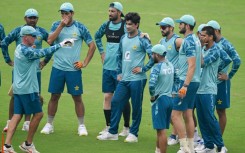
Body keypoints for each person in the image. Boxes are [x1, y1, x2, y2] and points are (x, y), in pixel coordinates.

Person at [3, 25, 73, 153]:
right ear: (25, 37)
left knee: (17, 115)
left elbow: (32, 55)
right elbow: (43, 52)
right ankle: (28, 144)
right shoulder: (27, 52)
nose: (36, 38)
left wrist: (32, 48)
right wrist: (61, 44)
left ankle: (7, 146)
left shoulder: (20, 48)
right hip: (28, 89)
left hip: (18, 88)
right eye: (33, 36)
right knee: (39, 114)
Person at [40, 2, 96, 136]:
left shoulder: (80, 27)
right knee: (54, 96)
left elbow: (92, 45)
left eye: (67, 13)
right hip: (58, 68)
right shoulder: (56, 25)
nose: (64, 16)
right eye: (62, 13)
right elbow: (49, 41)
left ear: (72, 14)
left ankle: (81, 125)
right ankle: (49, 124)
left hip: (73, 70)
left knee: (77, 97)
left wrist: (84, 63)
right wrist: (61, 25)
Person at [97, 12, 154, 142]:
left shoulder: (142, 39)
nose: (127, 26)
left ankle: (133, 134)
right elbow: (119, 56)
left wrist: (143, 69)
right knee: (116, 101)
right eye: (126, 24)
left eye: (130, 24)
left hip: (138, 79)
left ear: (136, 25)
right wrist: (119, 72)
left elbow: (153, 57)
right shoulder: (123, 38)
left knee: (136, 106)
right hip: (124, 79)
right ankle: (113, 132)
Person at [1, 8, 51, 132]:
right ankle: (10, 121)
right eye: (30, 17)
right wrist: (8, 59)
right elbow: (4, 43)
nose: (32, 20)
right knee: (15, 95)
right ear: (25, 18)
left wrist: (45, 61)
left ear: (37, 19)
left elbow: (52, 43)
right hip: (20, 72)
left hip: (35, 71)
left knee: (33, 95)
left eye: (35, 18)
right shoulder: (19, 31)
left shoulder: (41, 32)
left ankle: (27, 123)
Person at [94, 2, 131, 136]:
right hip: (107, 67)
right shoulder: (106, 25)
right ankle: (108, 126)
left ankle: (127, 127)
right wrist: (102, 52)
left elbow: (133, 39)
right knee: (107, 96)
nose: (110, 13)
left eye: (113, 11)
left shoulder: (125, 26)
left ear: (119, 13)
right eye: (109, 11)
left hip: (120, 69)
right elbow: (97, 36)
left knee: (123, 98)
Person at [195, 26, 231, 153]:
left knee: (210, 117)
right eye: (200, 35)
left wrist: (221, 72)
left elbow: (202, 63)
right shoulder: (204, 48)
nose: (201, 37)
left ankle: (220, 145)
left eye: (204, 35)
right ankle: (209, 145)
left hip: (209, 89)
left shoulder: (215, 50)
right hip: (198, 89)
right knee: (202, 118)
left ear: (211, 37)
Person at [171, 14, 201, 153]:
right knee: (188, 114)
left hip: (186, 82)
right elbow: (200, 61)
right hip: (195, 81)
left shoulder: (188, 41)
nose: (179, 26)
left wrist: (185, 85)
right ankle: (191, 147)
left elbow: (192, 65)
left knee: (174, 115)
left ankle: (184, 147)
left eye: (181, 24)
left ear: (187, 26)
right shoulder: (196, 40)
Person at [207, 20, 241, 136]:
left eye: (210, 31)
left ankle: (218, 140)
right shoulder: (210, 44)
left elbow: (237, 60)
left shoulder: (226, 44)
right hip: (209, 82)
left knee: (220, 111)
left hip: (221, 83)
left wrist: (229, 76)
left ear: (216, 31)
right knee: (208, 111)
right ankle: (209, 138)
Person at [156, 17, 182, 146]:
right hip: (166, 81)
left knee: (174, 112)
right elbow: (155, 55)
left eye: (164, 27)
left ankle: (177, 135)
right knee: (170, 110)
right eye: (160, 27)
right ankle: (182, 133)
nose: (161, 29)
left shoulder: (177, 41)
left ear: (171, 28)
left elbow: (191, 53)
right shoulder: (161, 41)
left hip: (176, 82)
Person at [149, 44, 174, 153]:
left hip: (160, 100)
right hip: (169, 99)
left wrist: (153, 95)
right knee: (161, 129)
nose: (151, 56)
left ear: (157, 55)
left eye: (152, 54)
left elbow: (151, 85)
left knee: (161, 131)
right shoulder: (170, 65)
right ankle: (158, 151)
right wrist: (173, 92)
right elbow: (177, 80)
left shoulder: (157, 67)